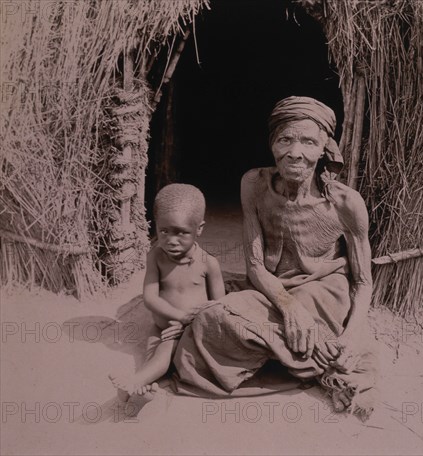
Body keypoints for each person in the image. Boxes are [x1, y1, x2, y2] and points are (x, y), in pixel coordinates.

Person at [165, 96, 377, 419]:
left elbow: (362, 283)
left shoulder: (347, 204)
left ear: (324, 148)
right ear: (272, 144)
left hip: (322, 294)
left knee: (233, 322)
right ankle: (313, 355)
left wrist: (351, 335)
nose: (295, 152)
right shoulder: (254, 185)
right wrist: (289, 307)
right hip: (272, 290)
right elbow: (254, 266)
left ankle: (316, 348)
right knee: (210, 320)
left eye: (308, 141)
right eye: (285, 139)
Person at [109, 183, 225, 406]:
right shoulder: (155, 257)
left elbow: (219, 306)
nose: (171, 240)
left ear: (199, 229)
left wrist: (188, 321)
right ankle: (139, 393)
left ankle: (134, 384)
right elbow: (150, 298)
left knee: (163, 353)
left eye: (181, 233)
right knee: (150, 356)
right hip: (162, 326)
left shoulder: (208, 263)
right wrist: (179, 318)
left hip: (193, 330)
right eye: (164, 231)